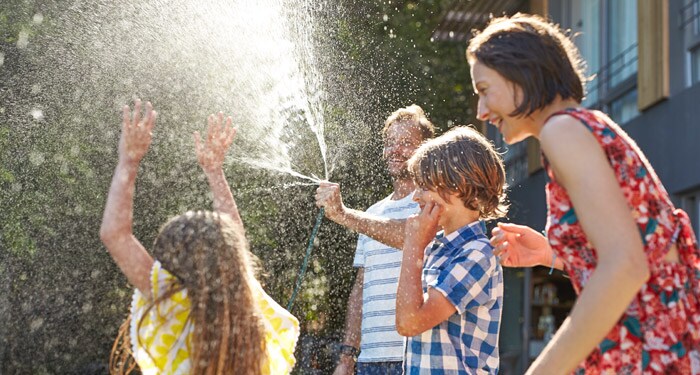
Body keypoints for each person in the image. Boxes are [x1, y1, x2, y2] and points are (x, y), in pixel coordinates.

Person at [468, 14, 700, 374]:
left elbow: (625, 265)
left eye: (484, 90)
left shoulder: (562, 131)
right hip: (666, 342)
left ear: (521, 71)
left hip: (645, 352)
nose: (482, 112)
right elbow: (644, 250)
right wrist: (554, 253)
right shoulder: (586, 126)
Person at [100, 101, 299, 374]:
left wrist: (129, 160)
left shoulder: (174, 304)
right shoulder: (244, 306)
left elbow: (115, 234)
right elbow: (234, 236)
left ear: (172, 262)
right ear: (232, 256)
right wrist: (215, 171)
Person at [315, 105, 435, 375]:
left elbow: (409, 236)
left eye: (406, 143)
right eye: (390, 143)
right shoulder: (372, 213)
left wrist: (345, 215)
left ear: (424, 149)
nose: (395, 150)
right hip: (369, 359)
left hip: (413, 356)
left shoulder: (431, 204)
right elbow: (361, 288)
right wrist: (347, 354)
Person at [395, 126, 507, 374]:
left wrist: (413, 246)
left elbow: (409, 322)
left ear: (458, 184)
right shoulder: (436, 249)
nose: (416, 196)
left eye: (424, 186)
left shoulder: (477, 254)